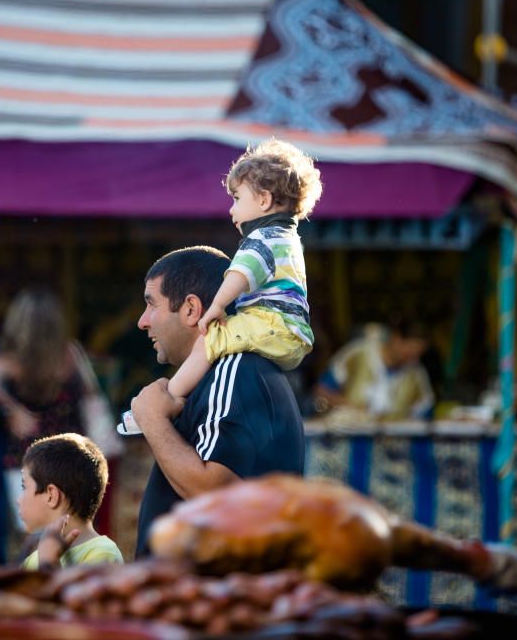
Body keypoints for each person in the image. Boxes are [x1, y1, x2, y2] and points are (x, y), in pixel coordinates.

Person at [131, 246, 306, 556]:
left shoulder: (236, 370)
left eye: (151, 305)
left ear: (190, 309)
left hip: (217, 596)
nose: (143, 321)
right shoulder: (222, 372)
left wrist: (153, 419)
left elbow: (215, 493)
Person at [165, 139, 322, 404]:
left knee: (209, 340)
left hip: (271, 324)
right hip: (292, 334)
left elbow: (241, 271)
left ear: (264, 200)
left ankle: (170, 397)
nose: (231, 209)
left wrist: (218, 305)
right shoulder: (288, 238)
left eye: (237, 198)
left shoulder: (263, 237)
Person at [0, 289, 119, 549]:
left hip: (26, 459)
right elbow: (90, 393)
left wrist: (12, 407)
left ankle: (38, 583)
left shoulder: (11, 362)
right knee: (71, 532)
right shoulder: (70, 354)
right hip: (70, 457)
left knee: (34, 534)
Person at [17, 433, 123, 570]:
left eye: (24, 487)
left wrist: (48, 563)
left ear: (52, 495)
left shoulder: (103, 553)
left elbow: (72, 592)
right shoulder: (31, 561)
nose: (18, 500)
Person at [313, 318, 435, 421]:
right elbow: (322, 391)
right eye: (408, 352)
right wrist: (348, 406)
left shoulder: (416, 374)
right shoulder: (359, 353)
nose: (412, 359)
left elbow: (425, 416)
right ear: (396, 338)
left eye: (417, 355)